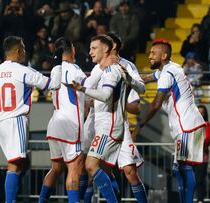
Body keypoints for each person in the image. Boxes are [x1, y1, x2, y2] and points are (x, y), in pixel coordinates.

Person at [0, 36, 62, 203]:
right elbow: (54, 84)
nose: (24, 51)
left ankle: (12, 195)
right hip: (16, 120)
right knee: (14, 165)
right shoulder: (23, 71)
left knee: (23, 162)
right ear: (17, 51)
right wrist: (57, 63)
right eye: (23, 48)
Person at [132, 39, 206, 203]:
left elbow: (155, 105)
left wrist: (139, 127)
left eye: (153, 53)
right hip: (190, 125)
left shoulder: (167, 73)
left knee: (184, 168)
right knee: (178, 169)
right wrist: (126, 76)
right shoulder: (171, 68)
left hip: (187, 126)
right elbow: (146, 78)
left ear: (164, 55)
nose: (149, 56)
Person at [66, 34, 129, 203]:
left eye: (94, 48)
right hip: (99, 123)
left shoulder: (113, 69)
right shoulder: (100, 69)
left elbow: (104, 94)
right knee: (101, 170)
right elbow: (91, 85)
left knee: (90, 165)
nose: (90, 52)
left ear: (106, 49)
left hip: (108, 124)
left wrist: (82, 88)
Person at [39, 37, 87, 203]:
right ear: (72, 50)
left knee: (56, 168)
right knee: (74, 170)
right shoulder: (76, 70)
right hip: (71, 124)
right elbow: (89, 86)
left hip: (54, 123)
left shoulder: (55, 69)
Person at [106, 33, 147, 203]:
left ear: (113, 46)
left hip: (119, 125)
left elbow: (136, 108)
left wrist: (115, 100)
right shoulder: (97, 65)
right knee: (95, 170)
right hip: (98, 125)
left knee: (129, 171)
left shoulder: (128, 66)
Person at [194, 105, 210, 203]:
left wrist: (196, 145)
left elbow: (208, 138)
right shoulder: (191, 124)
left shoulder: (207, 125)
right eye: (199, 111)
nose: (200, 113)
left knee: (199, 180)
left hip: (202, 157)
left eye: (202, 112)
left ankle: (200, 200)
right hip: (191, 157)